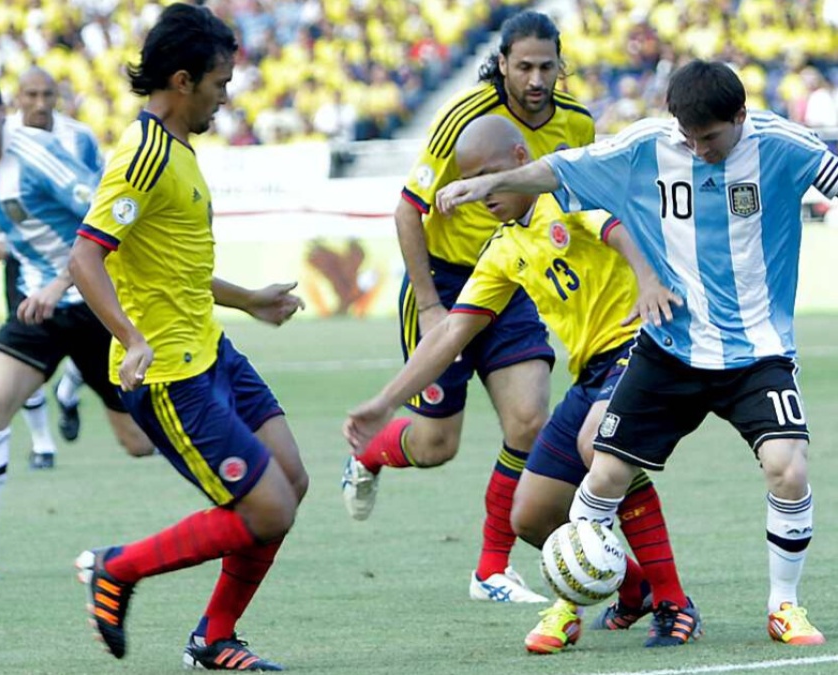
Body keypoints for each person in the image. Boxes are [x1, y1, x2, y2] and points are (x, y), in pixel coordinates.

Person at [437, 59, 837, 646]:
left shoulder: (782, 144)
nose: (698, 149)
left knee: (789, 468)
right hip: (671, 343)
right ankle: (565, 609)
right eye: (688, 137)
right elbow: (559, 169)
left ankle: (784, 606)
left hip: (757, 350)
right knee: (603, 474)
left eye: (710, 137)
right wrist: (487, 184)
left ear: (740, 116)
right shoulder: (648, 145)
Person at [345, 114, 699, 652]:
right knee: (531, 515)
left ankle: (674, 602)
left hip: (643, 347)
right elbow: (450, 335)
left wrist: (647, 281)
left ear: (518, 160)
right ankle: (636, 588)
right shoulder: (503, 248)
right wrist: (385, 402)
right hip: (592, 372)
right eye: (468, 181)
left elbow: (617, 226)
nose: (479, 193)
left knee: (599, 444)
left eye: (486, 176)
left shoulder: (567, 194)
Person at [69, 4, 308, 670]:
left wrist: (250, 299)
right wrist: (130, 338)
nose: (225, 97)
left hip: (211, 353)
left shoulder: (178, 148)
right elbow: (84, 258)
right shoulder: (143, 154)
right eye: (219, 83)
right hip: (171, 377)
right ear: (182, 81)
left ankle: (214, 638)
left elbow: (176, 268)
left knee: (291, 481)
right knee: (269, 510)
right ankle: (117, 568)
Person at [341, 10, 594, 604]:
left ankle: (491, 570)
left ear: (560, 65)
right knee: (436, 446)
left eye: (546, 66)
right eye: (523, 66)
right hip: (448, 283)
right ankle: (369, 456)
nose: (536, 79)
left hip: (514, 276)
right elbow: (408, 210)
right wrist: (430, 305)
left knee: (529, 421)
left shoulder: (578, 122)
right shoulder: (465, 117)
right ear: (502, 63)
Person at [0, 68, 155, 584]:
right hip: (37, 308)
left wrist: (61, 283)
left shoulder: (38, 157)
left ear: (2, 110)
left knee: (140, 442)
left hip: (96, 302)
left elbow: (104, 217)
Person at [0, 66, 106, 468]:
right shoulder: (1, 139)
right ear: (17, 98)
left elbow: (101, 196)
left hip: (83, 261)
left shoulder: (79, 138)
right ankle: (42, 443)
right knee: (25, 350)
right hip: (25, 263)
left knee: (101, 342)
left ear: (57, 97)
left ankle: (69, 391)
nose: (40, 104)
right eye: (31, 95)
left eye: (47, 95)